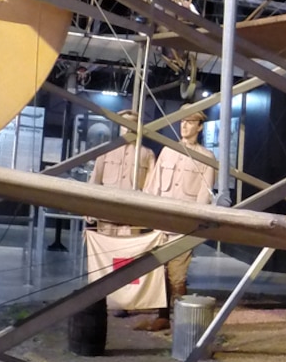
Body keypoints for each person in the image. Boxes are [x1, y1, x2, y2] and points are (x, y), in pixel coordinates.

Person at [130, 113, 216, 334]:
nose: (185, 126)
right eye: (182, 122)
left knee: (177, 275)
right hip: (160, 224)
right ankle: (161, 316)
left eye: (190, 122)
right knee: (157, 272)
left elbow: (203, 198)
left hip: (183, 228)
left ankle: (182, 321)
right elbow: (154, 186)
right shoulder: (168, 151)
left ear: (200, 127)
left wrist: (194, 225)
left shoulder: (207, 157)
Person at [85, 112, 155, 314]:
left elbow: (151, 190)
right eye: (124, 124)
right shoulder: (105, 153)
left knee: (126, 260)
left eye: (132, 124)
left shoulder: (146, 155)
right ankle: (100, 298)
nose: (127, 128)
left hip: (130, 221)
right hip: (106, 219)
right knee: (103, 259)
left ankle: (122, 301)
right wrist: (88, 209)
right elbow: (94, 183)